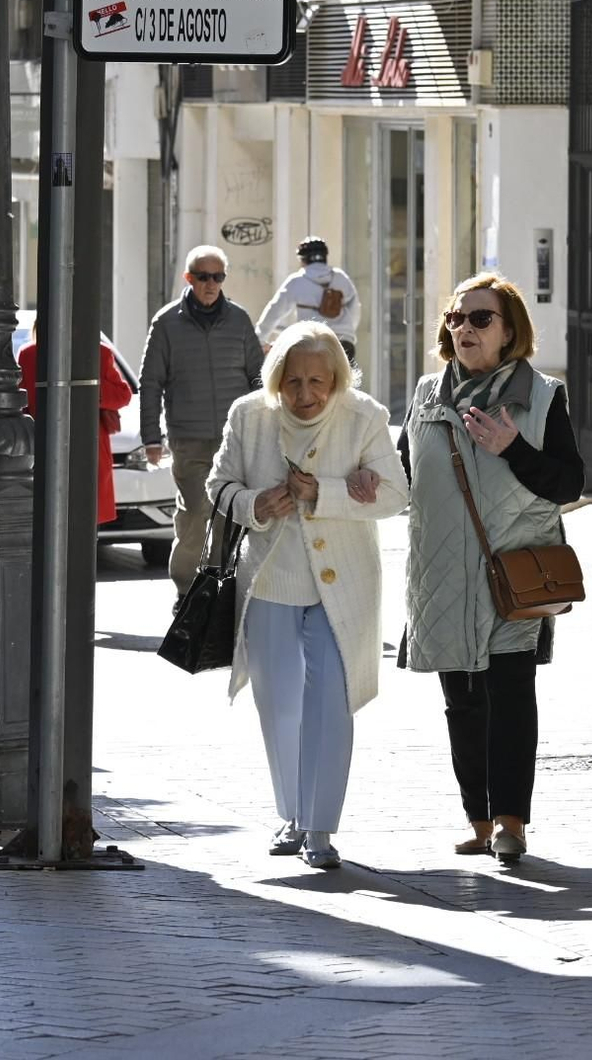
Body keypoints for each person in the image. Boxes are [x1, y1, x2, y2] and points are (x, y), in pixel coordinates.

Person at [206, 320, 408, 869]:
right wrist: (254, 505)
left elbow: (396, 494)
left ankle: (319, 829)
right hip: (270, 578)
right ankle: (291, 815)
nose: (305, 395)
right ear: (276, 381)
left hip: (343, 582)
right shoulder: (249, 416)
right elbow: (218, 485)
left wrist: (329, 493)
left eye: (318, 382)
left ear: (336, 379)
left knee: (331, 704)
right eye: (293, 382)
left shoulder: (365, 416)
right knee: (278, 702)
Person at [397, 273, 585, 862]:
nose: (464, 329)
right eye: (456, 318)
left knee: (509, 696)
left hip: (512, 573)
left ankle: (512, 822)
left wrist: (515, 450)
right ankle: (477, 821)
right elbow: (403, 479)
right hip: (443, 574)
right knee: (461, 703)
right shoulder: (427, 395)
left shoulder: (543, 397)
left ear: (510, 333)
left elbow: (569, 483)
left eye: (481, 319)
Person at [139, 245, 264, 607]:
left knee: (228, 513)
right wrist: (151, 436)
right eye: (204, 277)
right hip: (188, 437)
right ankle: (185, 589)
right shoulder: (166, 322)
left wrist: (265, 426)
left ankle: (218, 585)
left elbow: (258, 378)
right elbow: (150, 382)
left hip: (234, 437)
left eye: (218, 277)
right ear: (189, 278)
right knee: (195, 512)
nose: (211, 284)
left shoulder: (239, 320)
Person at [14, 322, 134, 525]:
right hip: (61, 447)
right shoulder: (30, 355)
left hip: (67, 446)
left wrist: (89, 386)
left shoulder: (99, 353)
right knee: (77, 519)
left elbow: (124, 394)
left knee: (60, 518)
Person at [255, 236, 362, 363]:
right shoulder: (341, 277)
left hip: (314, 345)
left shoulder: (297, 280)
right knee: (345, 382)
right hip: (344, 344)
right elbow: (355, 310)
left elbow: (275, 310)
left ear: (302, 259)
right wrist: (347, 330)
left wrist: (259, 339)